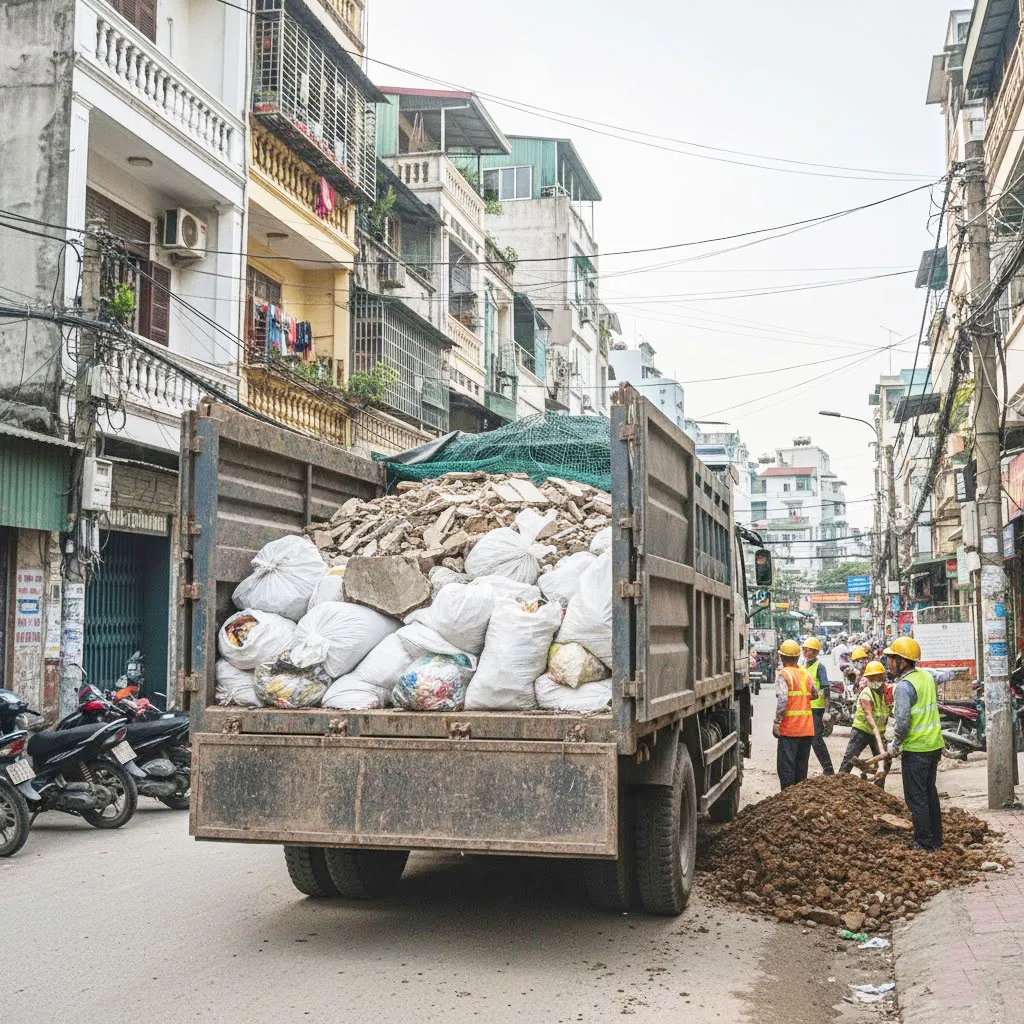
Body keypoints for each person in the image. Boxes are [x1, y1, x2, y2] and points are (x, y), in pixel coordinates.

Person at [885, 636, 944, 850]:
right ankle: (936, 840)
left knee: (916, 798)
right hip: (933, 746)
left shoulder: (903, 686)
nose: (888, 663)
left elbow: (902, 722)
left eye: (892, 658)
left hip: (916, 749)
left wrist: (895, 744)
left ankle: (924, 842)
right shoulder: (926, 677)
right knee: (929, 793)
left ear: (903, 661)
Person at [773, 638, 819, 789]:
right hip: (807, 730)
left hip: (790, 731)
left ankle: (787, 805)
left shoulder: (784, 674)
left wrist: (777, 722)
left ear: (781, 657)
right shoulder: (805, 674)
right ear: (798, 657)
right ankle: (799, 804)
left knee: (786, 770)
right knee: (801, 771)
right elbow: (815, 694)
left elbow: (783, 700)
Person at [838, 661, 892, 786]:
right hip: (861, 731)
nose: (875, 680)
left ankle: (879, 789)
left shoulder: (885, 693)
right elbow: (868, 715)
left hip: (878, 732)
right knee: (850, 758)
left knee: (884, 761)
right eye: (872, 678)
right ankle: (838, 784)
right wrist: (876, 731)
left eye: (877, 677)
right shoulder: (866, 692)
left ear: (883, 677)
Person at [802, 636, 835, 775]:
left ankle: (828, 769)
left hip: (817, 709)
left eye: (808, 650)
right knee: (806, 740)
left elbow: (826, 689)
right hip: (806, 708)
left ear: (815, 652)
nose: (805, 652)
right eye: (804, 649)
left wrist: (827, 711)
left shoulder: (820, 668)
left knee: (816, 740)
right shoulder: (804, 666)